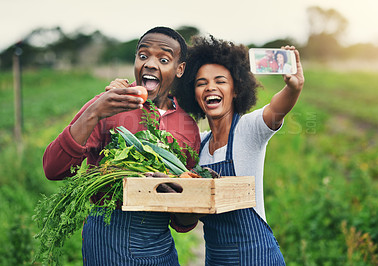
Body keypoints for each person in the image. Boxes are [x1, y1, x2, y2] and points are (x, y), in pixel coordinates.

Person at [43, 26, 200, 265]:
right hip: (108, 235)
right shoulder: (108, 104)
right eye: (143, 55)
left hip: (160, 243)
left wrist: (185, 201)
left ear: (179, 69)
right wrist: (94, 112)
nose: (149, 64)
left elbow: (183, 223)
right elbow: (54, 169)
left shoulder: (187, 124)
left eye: (164, 59)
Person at [173, 35, 304, 265]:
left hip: (258, 257)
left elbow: (277, 108)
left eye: (220, 81)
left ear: (236, 90)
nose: (210, 87)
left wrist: (293, 88)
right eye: (201, 83)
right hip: (216, 259)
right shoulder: (198, 145)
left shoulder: (249, 129)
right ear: (193, 93)